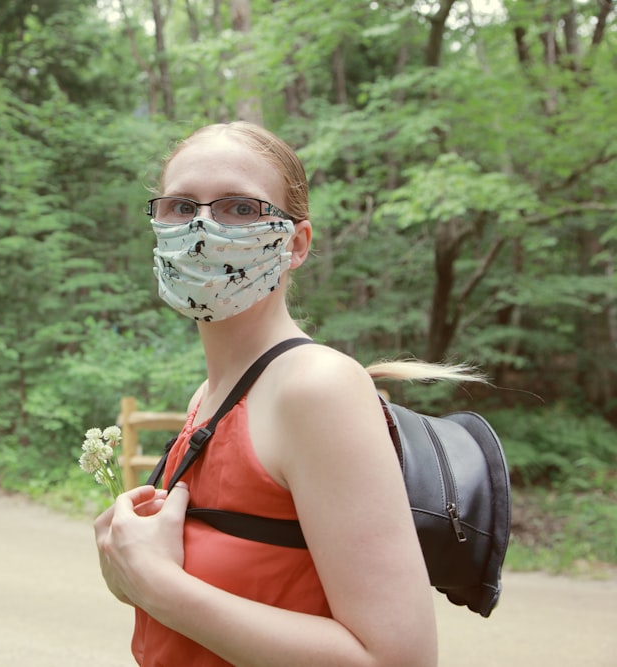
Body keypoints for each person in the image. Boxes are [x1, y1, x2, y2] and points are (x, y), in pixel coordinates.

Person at [94, 121, 458, 667]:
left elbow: (397, 660)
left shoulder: (316, 389)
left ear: (296, 244)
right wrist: (127, 562)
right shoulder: (210, 396)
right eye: (181, 206)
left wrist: (155, 585)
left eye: (240, 208)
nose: (202, 227)